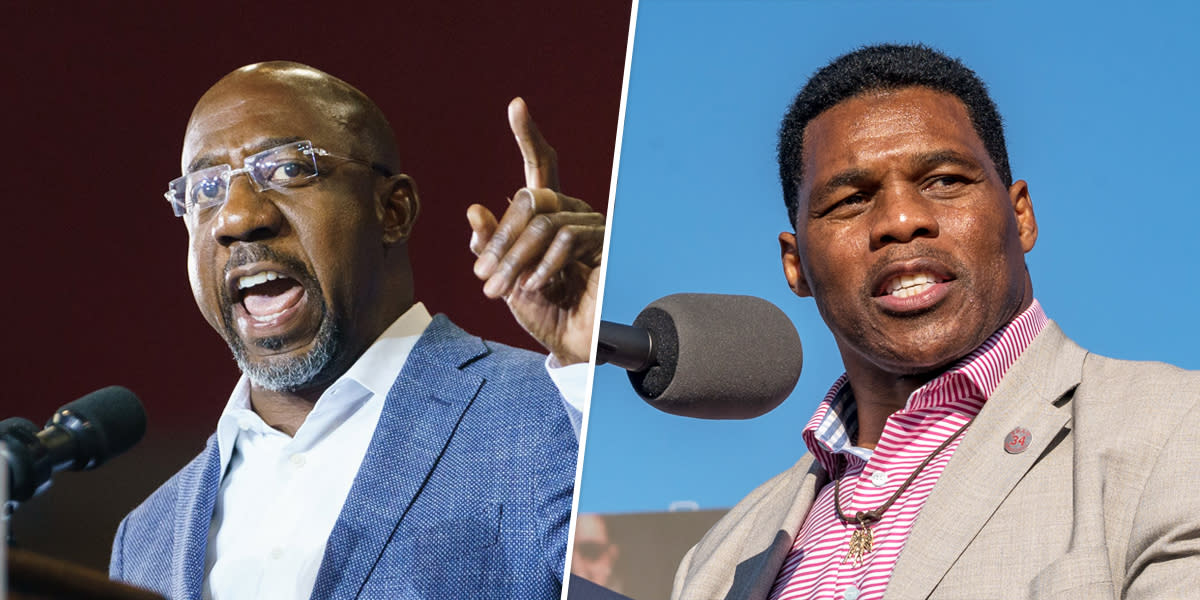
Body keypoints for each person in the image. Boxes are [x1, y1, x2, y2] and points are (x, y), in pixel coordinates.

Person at [672, 44, 1200, 600]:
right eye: (851, 199)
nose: (901, 221)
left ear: (1020, 216)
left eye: (945, 180)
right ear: (796, 263)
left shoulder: (1174, 430)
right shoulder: (718, 559)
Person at [108, 62, 603, 599]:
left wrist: (596, 368)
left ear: (393, 211)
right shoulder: (143, 538)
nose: (236, 217)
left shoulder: (555, 413)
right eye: (206, 189)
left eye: (289, 169)